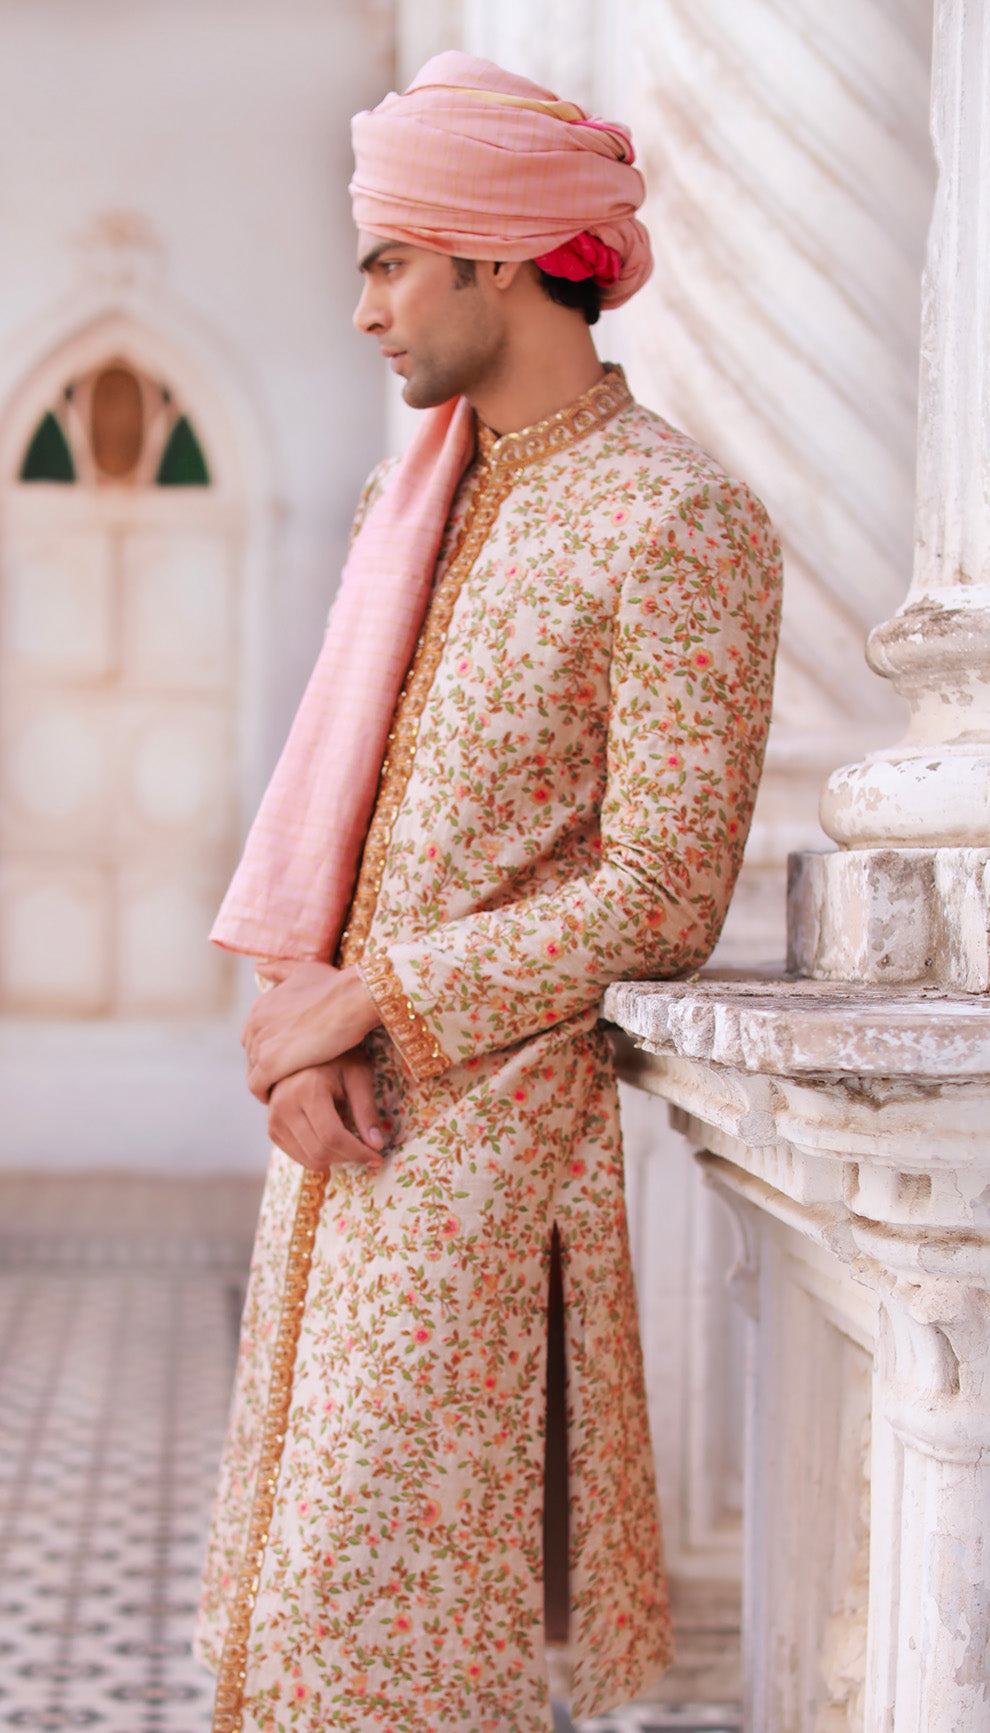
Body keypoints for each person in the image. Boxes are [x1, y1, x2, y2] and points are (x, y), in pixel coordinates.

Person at [195, 50, 782, 1733]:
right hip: (342, 1143)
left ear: (502, 257)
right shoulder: (415, 501)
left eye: (391, 259)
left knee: (391, 1644)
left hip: (483, 1155)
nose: (370, 306)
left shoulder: (673, 521)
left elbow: (664, 884)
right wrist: (296, 1023)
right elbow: (340, 798)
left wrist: (375, 998)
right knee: (298, 1632)